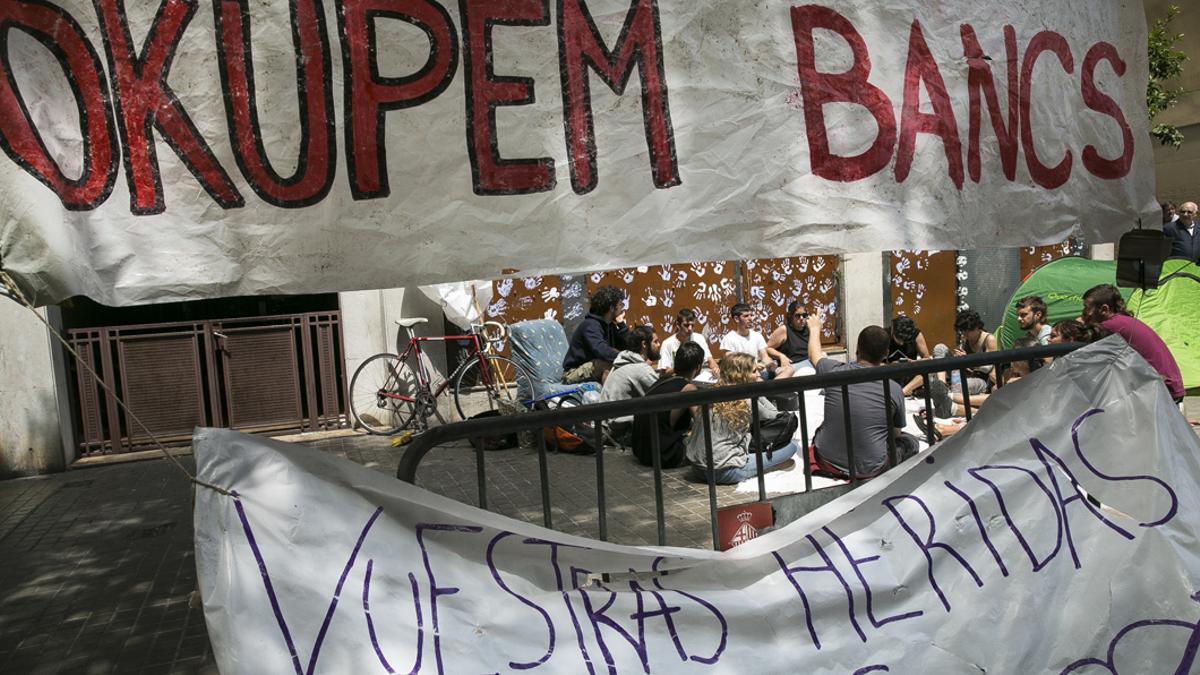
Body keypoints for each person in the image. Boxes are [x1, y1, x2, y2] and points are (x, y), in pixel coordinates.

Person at [807, 314, 920, 479]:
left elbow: (814, 354)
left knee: (823, 428)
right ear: (886, 354)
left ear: (857, 348)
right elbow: (895, 435)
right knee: (911, 442)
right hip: (870, 467)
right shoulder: (894, 389)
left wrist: (815, 328)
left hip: (826, 459)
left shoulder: (833, 372)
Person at [685, 352, 798, 484]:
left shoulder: (712, 393)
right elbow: (775, 415)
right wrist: (758, 389)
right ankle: (767, 467)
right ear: (742, 374)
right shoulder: (746, 400)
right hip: (725, 471)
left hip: (697, 468)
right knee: (791, 447)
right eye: (754, 371)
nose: (758, 375)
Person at [1081, 284, 1185, 401]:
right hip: (1169, 386)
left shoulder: (1110, 326)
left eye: (1086, 308)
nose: (1083, 312)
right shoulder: (1123, 321)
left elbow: (1083, 348)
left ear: (1104, 310)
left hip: (1162, 391)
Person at [631, 342, 704, 468]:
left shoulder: (661, 382)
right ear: (698, 367)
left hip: (641, 452)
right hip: (664, 456)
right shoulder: (688, 388)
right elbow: (702, 423)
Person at [598, 325, 661, 439]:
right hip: (620, 432)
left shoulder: (621, 362)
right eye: (655, 342)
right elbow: (664, 395)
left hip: (608, 427)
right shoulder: (640, 369)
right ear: (644, 344)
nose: (658, 345)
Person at [562, 286, 628, 384]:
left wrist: (622, 325)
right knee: (606, 363)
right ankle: (610, 399)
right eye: (620, 304)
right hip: (573, 372)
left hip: (593, 367)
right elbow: (601, 350)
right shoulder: (590, 325)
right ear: (611, 308)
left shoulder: (609, 325)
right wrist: (625, 357)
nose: (623, 307)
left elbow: (627, 346)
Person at [720, 303, 795, 379]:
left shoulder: (757, 336)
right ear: (736, 319)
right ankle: (771, 388)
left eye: (751, 315)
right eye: (746, 316)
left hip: (760, 371)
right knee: (757, 378)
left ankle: (771, 388)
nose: (750, 318)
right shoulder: (729, 339)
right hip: (743, 374)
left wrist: (770, 364)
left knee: (789, 370)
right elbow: (731, 363)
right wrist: (753, 366)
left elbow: (764, 356)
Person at [932, 309, 997, 395]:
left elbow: (987, 367)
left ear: (977, 327)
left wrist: (968, 360)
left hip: (981, 379)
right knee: (940, 348)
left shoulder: (989, 339)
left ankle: (951, 392)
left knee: (960, 387)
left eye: (966, 331)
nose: (963, 334)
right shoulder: (965, 339)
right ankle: (942, 385)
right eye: (961, 331)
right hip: (964, 373)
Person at [658, 308, 719, 381]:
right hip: (677, 383)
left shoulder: (699, 338)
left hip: (698, 380)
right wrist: (684, 366)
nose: (690, 328)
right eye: (686, 325)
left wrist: (715, 369)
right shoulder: (667, 344)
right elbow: (664, 372)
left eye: (692, 325)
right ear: (678, 324)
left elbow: (710, 360)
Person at [767, 299, 817, 376]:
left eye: (804, 315)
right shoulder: (784, 330)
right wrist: (781, 356)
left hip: (809, 362)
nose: (801, 318)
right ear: (791, 316)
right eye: (797, 316)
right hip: (793, 365)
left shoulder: (809, 329)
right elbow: (768, 348)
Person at [885, 315, 931, 397]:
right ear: (892, 330)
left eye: (906, 340)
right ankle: (902, 392)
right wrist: (891, 366)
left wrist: (913, 362)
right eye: (899, 339)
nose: (902, 343)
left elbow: (926, 359)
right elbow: (876, 364)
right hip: (891, 373)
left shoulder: (916, 335)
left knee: (928, 370)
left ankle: (903, 392)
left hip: (910, 373)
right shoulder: (884, 336)